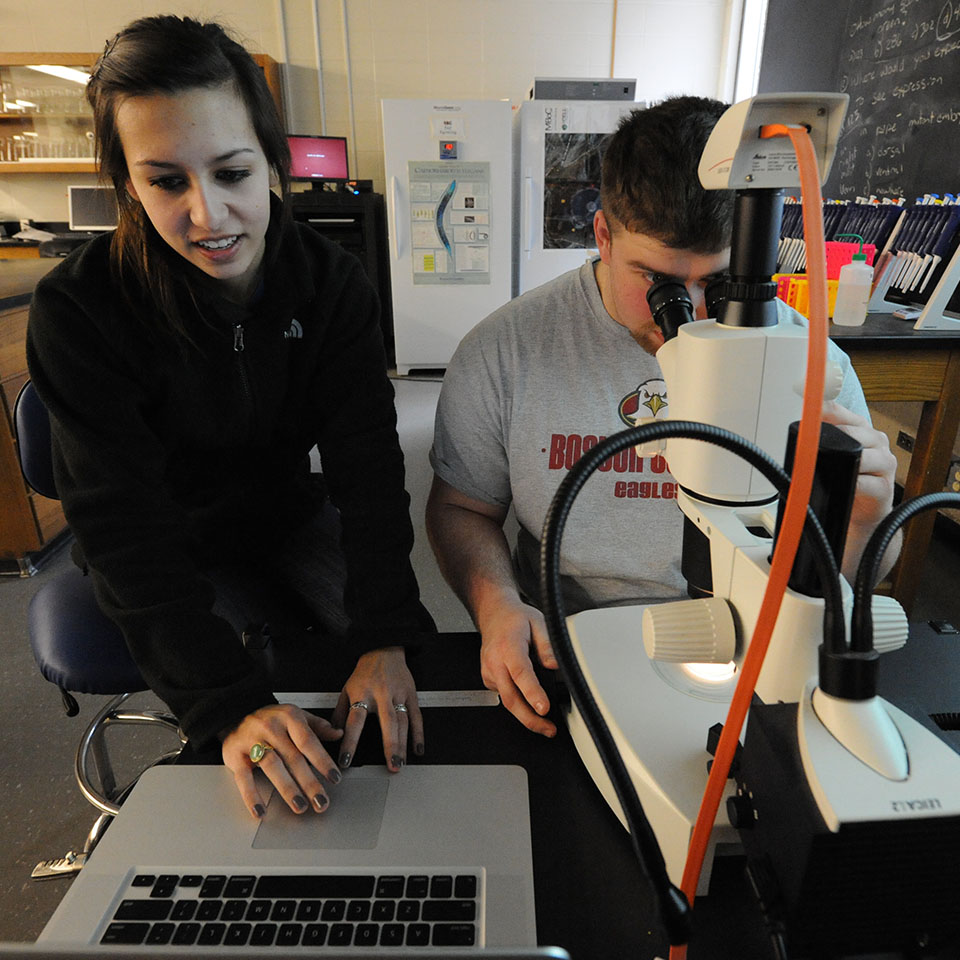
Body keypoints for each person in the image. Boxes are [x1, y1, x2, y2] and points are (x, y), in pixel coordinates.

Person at [27, 15, 435, 820]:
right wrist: (227, 707)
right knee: (257, 722)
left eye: (233, 173)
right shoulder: (79, 310)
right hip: (165, 539)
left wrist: (384, 635)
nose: (211, 217)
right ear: (129, 187)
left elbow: (367, 468)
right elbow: (121, 534)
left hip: (282, 518)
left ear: (272, 158)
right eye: (167, 182)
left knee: (412, 673)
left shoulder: (331, 283)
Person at [426, 95, 899, 738]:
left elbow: (853, 569)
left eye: (722, 284)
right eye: (661, 283)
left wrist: (863, 522)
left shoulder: (808, 361)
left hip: (751, 653)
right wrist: (497, 604)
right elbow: (462, 508)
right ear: (602, 236)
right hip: (570, 654)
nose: (693, 316)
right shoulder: (505, 349)